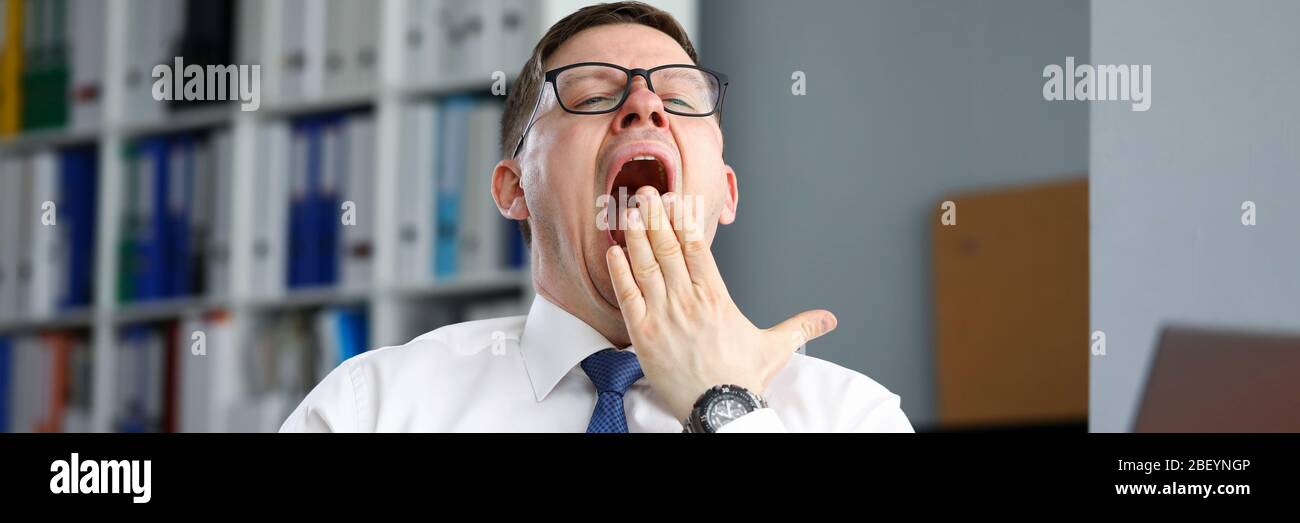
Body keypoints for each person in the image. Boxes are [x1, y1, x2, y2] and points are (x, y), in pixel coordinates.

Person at [280, 1, 913, 433]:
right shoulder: (376, 408)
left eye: (677, 97)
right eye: (593, 95)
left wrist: (724, 407)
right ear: (512, 189)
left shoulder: (849, 414)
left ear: (725, 193)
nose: (644, 106)